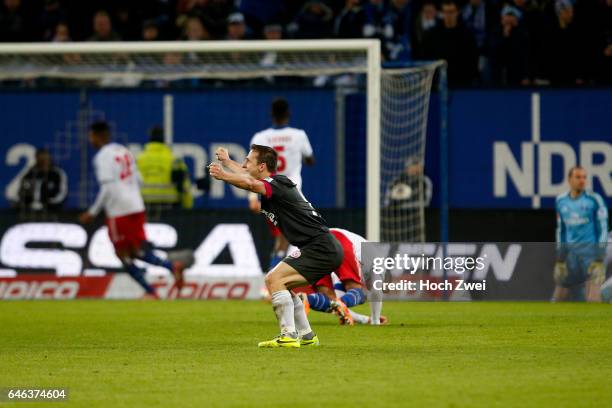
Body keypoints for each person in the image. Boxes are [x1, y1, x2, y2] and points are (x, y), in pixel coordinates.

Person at [209, 145, 344, 348]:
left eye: (248, 161)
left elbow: (248, 182)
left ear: (262, 166)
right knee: (283, 285)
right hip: (316, 246)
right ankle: (307, 336)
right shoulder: (272, 184)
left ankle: (288, 334)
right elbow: (247, 176)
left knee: (273, 279)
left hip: (321, 246)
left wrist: (224, 175)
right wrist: (227, 162)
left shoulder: (277, 183)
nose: (244, 165)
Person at [79, 122, 185, 299]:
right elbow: (139, 180)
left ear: (98, 136)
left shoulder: (102, 157)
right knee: (135, 251)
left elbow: (107, 188)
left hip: (119, 210)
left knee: (122, 255)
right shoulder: (123, 151)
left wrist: (92, 212)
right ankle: (171, 268)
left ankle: (151, 291)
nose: (90, 140)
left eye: (91, 136)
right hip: (136, 206)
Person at [249, 98, 315, 268]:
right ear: (288, 114)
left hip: (268, 191)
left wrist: (252, 197)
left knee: (283, 237)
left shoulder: (260, 137)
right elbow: (310, 159)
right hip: (291, 192)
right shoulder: (299, 135)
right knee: (289, 237)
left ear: (271, 115)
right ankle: (274, 277)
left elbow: (252, 169)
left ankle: (276, 276)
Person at [297, 227, 387, 326]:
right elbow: (376, 292)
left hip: (315, 243)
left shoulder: (363, 256)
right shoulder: (378, 259)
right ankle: (374, 320)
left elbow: (338, 305)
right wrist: (375, 321)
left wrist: (365, 319)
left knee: (329, 298)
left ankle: (306, 300)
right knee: (358, 294)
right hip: (340, 241)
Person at [553, 166, 608, 302]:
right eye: (578, 177)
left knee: (593, 298)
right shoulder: (561, 201)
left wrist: (599, 258)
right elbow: (561, 230)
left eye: (584, 177)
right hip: (571, 257)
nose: (582, 180)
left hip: (591, 257)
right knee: (557, 298)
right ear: (569, 179)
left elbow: (603, 229)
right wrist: (560, 259)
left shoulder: (594, 200)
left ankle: (598, 323)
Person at [422, 0, 479, 87]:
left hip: (462, 84)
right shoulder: (432, 35)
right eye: (445, 12)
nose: (448, 15)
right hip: (438, 85)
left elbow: (473, 61)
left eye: (451, 12)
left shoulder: (467, 35)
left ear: (457, 12)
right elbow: (426, 59)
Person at [136, 126, 193, 210]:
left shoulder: (138, 160)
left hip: (143, 208)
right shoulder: (175, 160)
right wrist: (188, 208)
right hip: (170, 209)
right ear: (164, 139)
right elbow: (185, 188)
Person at [17, 148, 67, 213]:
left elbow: (62, 194)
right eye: (41, 159)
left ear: (50, 159)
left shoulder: (57, 174)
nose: (44, 161)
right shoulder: (30, 173)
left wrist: (48, 204)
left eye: (46, 158)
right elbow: (22, 192)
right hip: (29, 210)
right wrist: (27, 204)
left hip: (51, 210)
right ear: (37, 159)